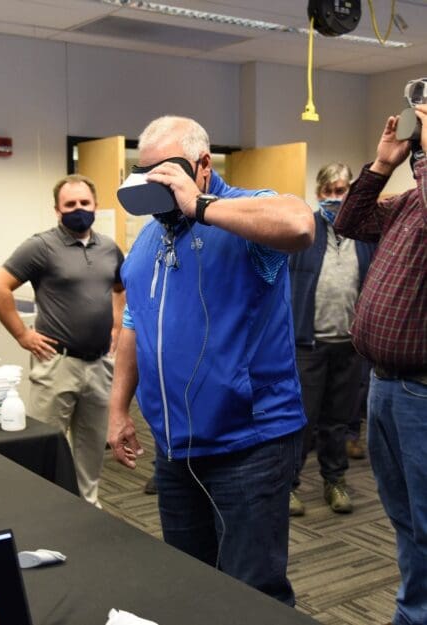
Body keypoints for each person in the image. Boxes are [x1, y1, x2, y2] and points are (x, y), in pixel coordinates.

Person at [108, 115, 315, 605]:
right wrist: (119, 409)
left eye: (166, 174)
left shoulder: (243, 214)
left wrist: (201, 206)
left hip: (248, 444)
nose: (154, 187)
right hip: (176, 450)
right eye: (145, 174)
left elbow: (299, 225)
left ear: (202, 166)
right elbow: (135, 323)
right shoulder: (151, 238)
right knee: (190, 584)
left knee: (251, 594)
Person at [334, 108, 427, 625]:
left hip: (421, 393)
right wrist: (381, 165)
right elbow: (350, 222)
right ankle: (414, 612)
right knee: (405, 520)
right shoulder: (411, 200)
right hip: (385, 386)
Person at [0, 174, 125, 507]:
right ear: (57, 210)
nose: (79, 209)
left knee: (91, 449)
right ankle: (42, 509)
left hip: (99, 364)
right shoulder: (41, 246)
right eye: (71, 205)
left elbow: (120, 288)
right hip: (57, 364)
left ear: (95, 205)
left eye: (84, 203)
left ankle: (87, 508)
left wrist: (117, 325)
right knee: (44, 442)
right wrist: (23, 334)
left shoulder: (108, 247)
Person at [288, 163, 375, 516]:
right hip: (308, 343)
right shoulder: (302, 231)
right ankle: (289, 486)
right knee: (303, 421)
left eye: (342, 191)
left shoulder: (365, 234)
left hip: (350, 345)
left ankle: (334, 481)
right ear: (319, 192)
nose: (336, 198)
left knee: (339, 421)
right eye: (330, 191)